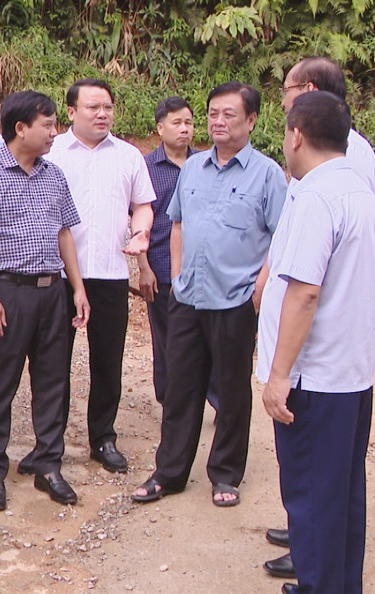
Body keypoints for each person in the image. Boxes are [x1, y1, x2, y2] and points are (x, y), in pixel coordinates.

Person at [132, 81, 287, 507]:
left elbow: (281, 237)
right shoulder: (194, 168)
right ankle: (169, 473)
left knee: (232, 391)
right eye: (213, 113)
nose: (218, 122)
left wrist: (259, 289)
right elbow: (177, 224)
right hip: (188, 297)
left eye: (229, 114)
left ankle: (225, 474)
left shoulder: (267, 174)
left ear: (251, 120)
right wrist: (177, 276)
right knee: (180, 388)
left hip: (235, 300)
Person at [257, 90, 375, 594]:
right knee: (341, 497)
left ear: (297, 136)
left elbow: (305, 292)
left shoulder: (315, 196)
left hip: (314, 380)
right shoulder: (360, 193)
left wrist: (279, 376)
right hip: (351, 375)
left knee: (311, 499)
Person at [0, 90, 90, 511]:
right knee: (0, 383)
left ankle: (48, 465)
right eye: (48, 125)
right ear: (20, 128)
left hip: (52, 291)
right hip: (9, 291)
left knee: (53, 381)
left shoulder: (54, 174)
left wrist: (77, 288)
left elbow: (64, 233)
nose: (55, 133)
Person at [42, 78, 155, 475]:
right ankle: (49, 441)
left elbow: (142, 204)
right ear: (71, 111)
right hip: (58, 275)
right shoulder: (52, 152)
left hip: (110, 274)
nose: (102, 114)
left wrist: (140, 232)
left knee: (108, 360)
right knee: (53, 361)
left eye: (107, 107)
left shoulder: (128, 156)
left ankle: (103, 437)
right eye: (93, 107)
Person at [138, 97, 202, 406]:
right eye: (177, 123)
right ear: (160, 128)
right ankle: (170, 402)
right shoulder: (146, 168)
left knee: (206, 338)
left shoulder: (206, 164)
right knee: (166, 340)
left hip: (202, 269)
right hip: (161, 267)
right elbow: (137, 220)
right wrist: (143, 267)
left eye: (188, 122)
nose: (184, 129)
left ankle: (213, 399)